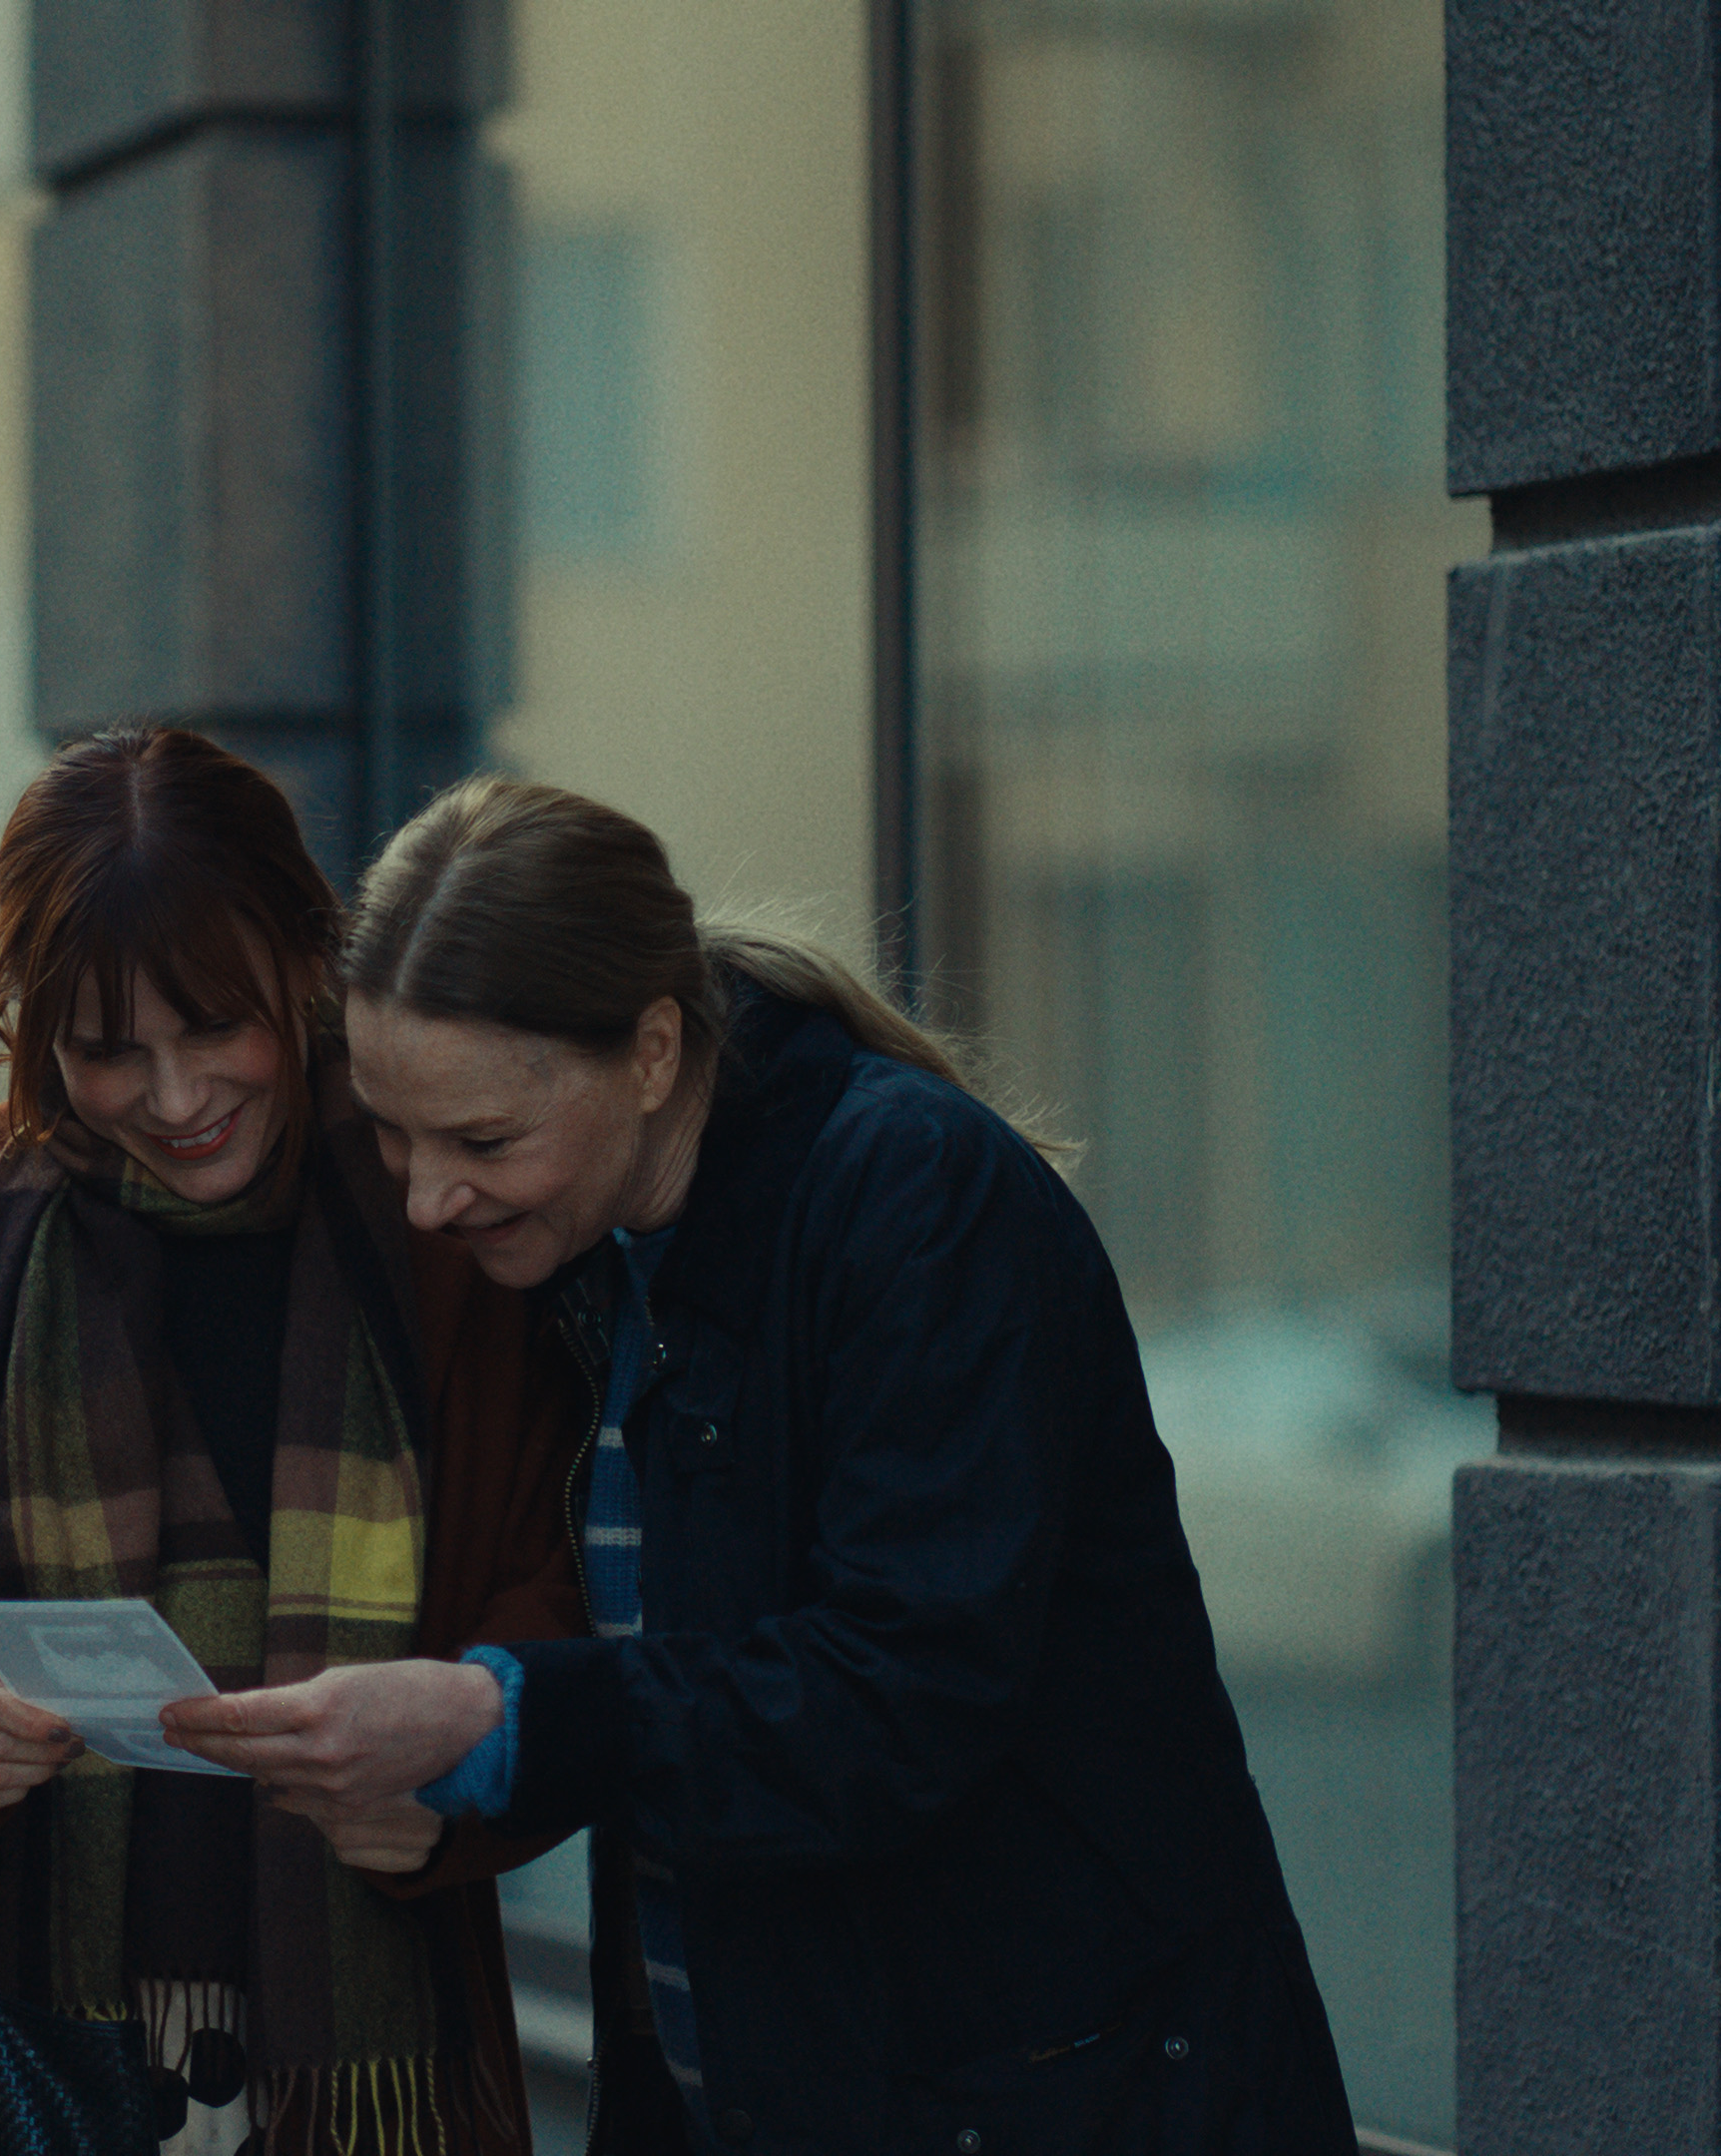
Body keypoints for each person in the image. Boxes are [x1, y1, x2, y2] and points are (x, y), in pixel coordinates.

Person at [167, 775, 1356, 2153]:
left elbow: (899, 1698)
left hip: (1057, 2092)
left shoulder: (912, 1198)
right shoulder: (593, 1250)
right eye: (392, 1132)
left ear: (656, 1053)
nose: (429, 1197)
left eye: (484, 1139)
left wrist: (500, 1732)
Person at [0, 730, 585, 2156]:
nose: (176, 1100)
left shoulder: (440, 1231)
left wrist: (456, 1779)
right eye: (109, 1050)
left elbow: (563, 1591)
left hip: (375, 2082)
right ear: (39, 1027)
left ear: (308, 964)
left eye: (214, 1029)